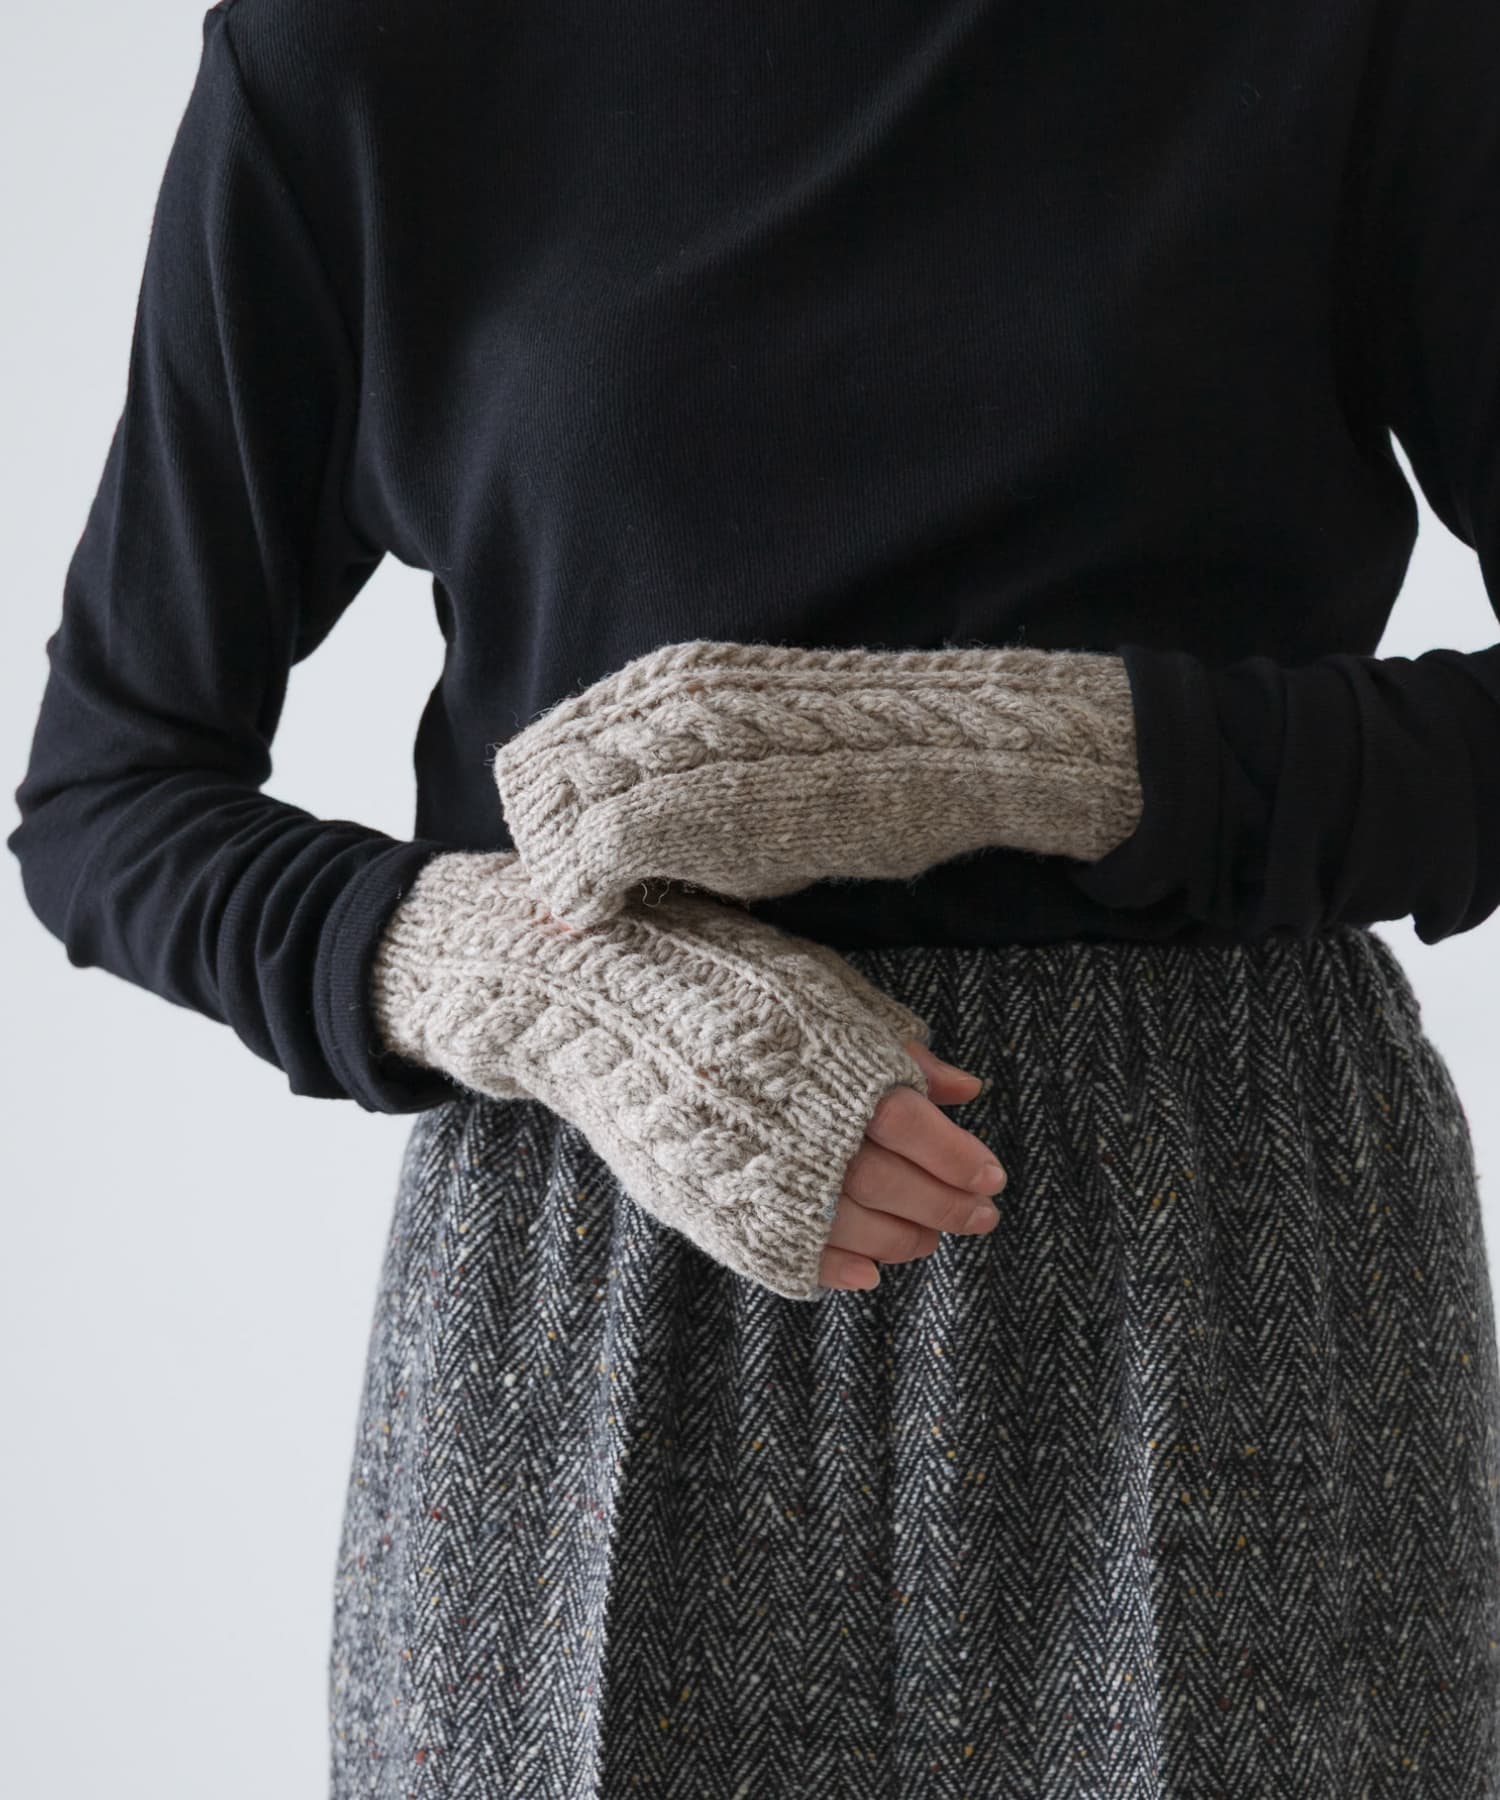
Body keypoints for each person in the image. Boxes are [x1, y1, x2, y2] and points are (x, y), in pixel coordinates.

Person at [10, 0, 1500, 1790]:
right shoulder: (362, 54)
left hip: (1229, 1277)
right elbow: (111, 787)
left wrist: (1048, 756)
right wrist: (534, 986)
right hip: (596, 1266)